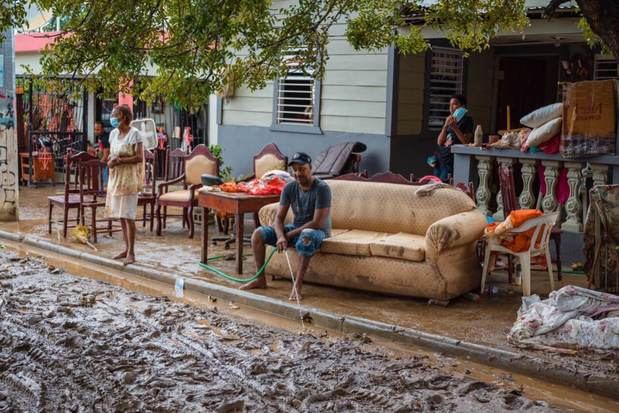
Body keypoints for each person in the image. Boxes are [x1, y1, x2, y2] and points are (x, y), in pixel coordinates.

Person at [241, 152, 331, 301]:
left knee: (307, 236)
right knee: (258, 234)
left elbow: (317, 222)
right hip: (296, 228)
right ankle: (260, 279)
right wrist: (281, 235)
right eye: (294, 170)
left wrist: (287, 236)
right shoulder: (289, 188)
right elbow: (278, 218)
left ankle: (297, 287)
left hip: (317, 232)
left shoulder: (322, 188)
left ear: (311, 168)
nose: (297, 173)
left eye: (302, 169)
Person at [105, 105, 144, 265]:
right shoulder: (113, 134)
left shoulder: (135, 134)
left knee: (128, 215)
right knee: (121, 215)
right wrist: (110, 162)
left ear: (123, 116)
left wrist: (120, 160)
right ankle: (126, 248)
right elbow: (109, 156)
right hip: (116, 179)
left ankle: (132, 253)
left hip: (129, 180)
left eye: (115, 115)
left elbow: (139, 157)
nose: (112, 117)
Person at [435, 94, 474, 181]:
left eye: (455, 104)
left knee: (446, 183)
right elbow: (439, 142)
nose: (451, 107)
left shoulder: (467, 120)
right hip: (441, 157)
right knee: (436, 182)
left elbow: (466, 142)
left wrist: (455, 127)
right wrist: (445, 126)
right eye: (450, 104)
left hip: (452, 158)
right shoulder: (449, 119)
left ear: (462, 106)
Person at [94, 121, 110, 188]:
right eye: (95, 129)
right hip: (103, 161)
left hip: (106, 163)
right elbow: (101, 148)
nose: (96, 131)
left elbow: (106, 155)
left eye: (98, 129)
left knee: (105, 183)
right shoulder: (100, 137)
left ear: (103, 129)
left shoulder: (105, 138)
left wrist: (100, 164)